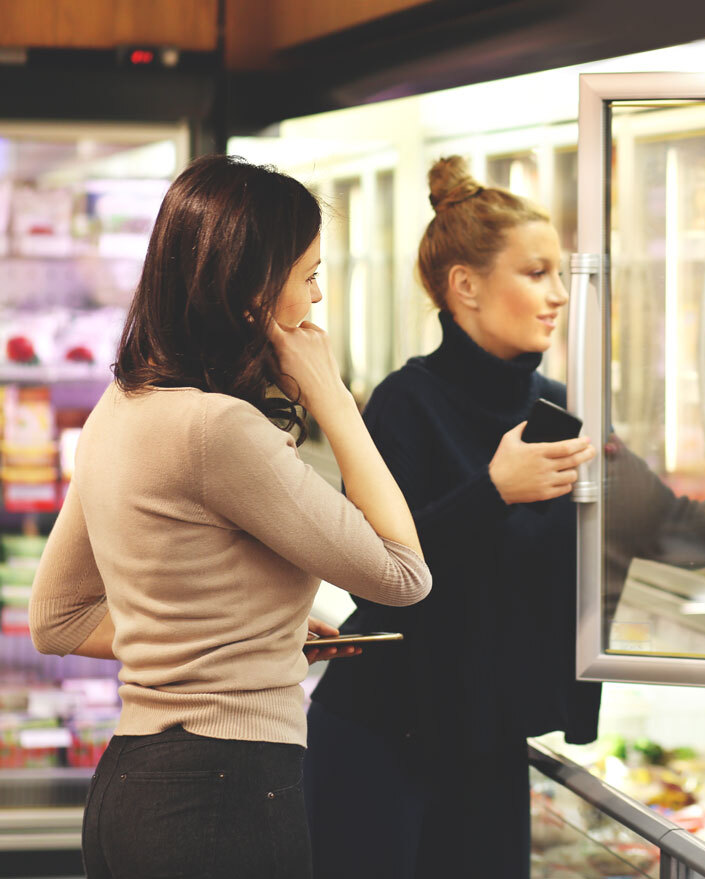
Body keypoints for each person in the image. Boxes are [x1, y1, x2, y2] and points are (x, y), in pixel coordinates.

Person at [304, 155, 705, 878]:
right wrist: (493, 490)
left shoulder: (559, 410)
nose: (558, 294)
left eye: (562, 274)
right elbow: (369, 573)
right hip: (380, 742)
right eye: (536, 272)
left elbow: (676, 529)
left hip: (488, 744)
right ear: (465, 286)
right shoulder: (407, 403)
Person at [28, 154, 432, 879]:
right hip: (222, 795)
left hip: (131, 789)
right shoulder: (219, 431)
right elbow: (402, 573)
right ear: (251, 290)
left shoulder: (121, 406)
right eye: (308, 275)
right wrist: (332, 397)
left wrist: (242, 636)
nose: (316, 297)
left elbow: (56, 616)